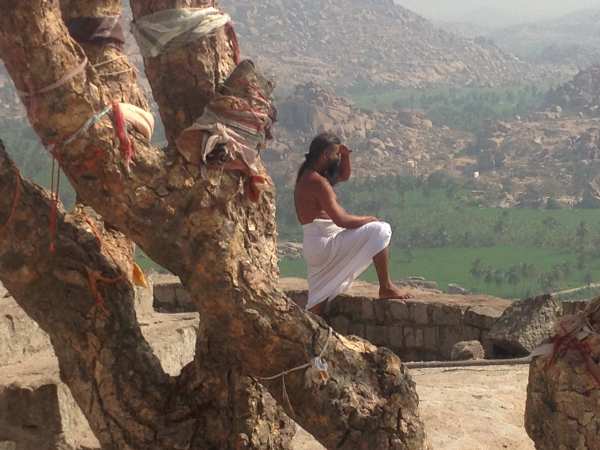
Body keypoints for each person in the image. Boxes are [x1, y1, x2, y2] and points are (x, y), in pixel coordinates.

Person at [294, 132, 410, 315]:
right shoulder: (318, 182)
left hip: (314, 244)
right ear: (324, 155)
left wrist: (346, 156)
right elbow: (342, 220)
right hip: (325, 244)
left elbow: (343, 176)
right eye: (335, 155)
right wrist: (369, 219)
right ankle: (386, 286)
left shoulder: (308, 174)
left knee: (318, 301)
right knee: (380, 229)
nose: (337, 158)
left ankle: (309, 336)